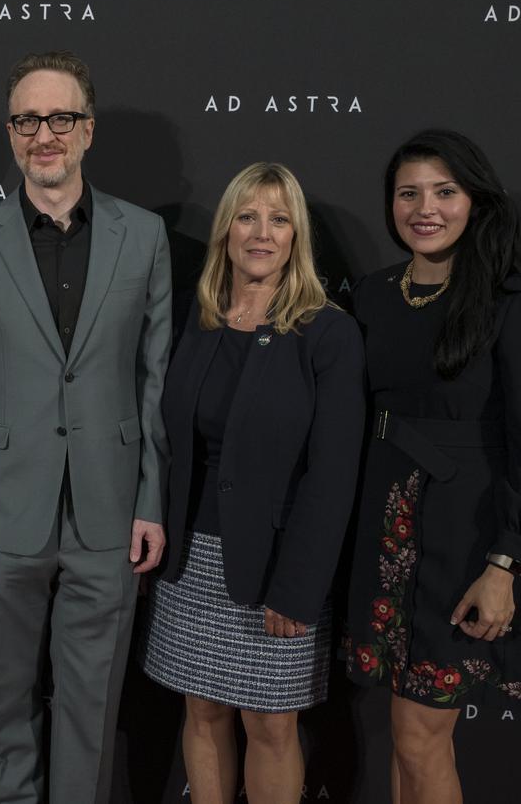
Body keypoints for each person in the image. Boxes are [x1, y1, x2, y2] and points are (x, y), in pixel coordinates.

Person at [0, 50, 172, 803]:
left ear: (88, 129)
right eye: (29, 119)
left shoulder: (145, 235)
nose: (46, 133)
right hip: (2, 517)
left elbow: (154, 381)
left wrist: (151, 500)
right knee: (5, 710)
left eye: (61, 117)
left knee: (91, 711)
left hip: (109, 510)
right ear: (11, 133)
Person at [343, 130, 521, 804]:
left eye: (445, 192)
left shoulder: (515, 297)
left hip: (464, 542)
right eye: (408, 192)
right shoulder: (374, 294)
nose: (426, 208)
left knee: (421, 736)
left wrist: (505, 563)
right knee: (405, 732)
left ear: (475, 199)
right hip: (381, 538)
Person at [140, 163, 365, 804]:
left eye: (278, 218)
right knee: (203, 713)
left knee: (270, 724)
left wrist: (297, 588)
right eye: (246, 216)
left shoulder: (327, 332)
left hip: (275, 568)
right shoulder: (198, 318)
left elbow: (333, 474)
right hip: (190, 561)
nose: (261, 232)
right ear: (225, 231)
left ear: (297, 237)